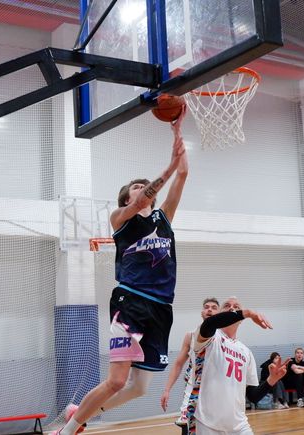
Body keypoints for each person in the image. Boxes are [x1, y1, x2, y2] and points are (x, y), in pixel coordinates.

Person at [51, 109, 188, 435]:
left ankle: (80, 412)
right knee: (116, 380)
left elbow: (183, 175)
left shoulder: (164, 219)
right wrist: (168, 167)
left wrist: (177, 133)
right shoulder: (120, 218)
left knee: (139, 387)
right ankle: (69, 429)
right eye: (137, 187)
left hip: (161, 307)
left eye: (145, 185)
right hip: (131, 302)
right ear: (128, 197)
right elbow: (144, 199)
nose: (143, 188)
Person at [187, 296, 288, 435]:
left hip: (239, 426)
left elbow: (253, 396)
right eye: (227, 305)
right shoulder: (210, 336)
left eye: (236, 307)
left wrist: (272, 380)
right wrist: (247, 313)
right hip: (207, 424)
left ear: (240, 321)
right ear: (220, 314)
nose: (232, 308)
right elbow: (209, 324)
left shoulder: (246, 352)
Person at [160, 298, 220, 434]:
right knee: (187, 426)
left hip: (216, 391)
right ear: (202, 312)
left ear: (220, 313)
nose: (209, 309)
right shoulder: (191, 335)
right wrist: (167, 390)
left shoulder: (224, 337)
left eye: (214, 307)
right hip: (193, 389)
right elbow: (178, 364)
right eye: (206, 307)